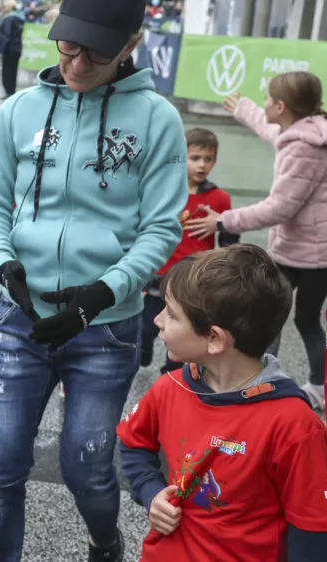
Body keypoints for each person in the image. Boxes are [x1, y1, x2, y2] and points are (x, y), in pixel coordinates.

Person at [0, 0, 186, 559]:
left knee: (88, 466)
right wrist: (4, 264)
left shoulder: (158, 119)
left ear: (132, 42)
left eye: (96, 50)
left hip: (106, 329)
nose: (78, 63)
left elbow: (161, 229)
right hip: (20, 316)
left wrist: (104, 292)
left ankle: (105, 540)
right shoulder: (19, 110)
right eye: (69, 45)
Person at [117, 244, 327, 561]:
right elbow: (133, 443)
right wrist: (151, 492)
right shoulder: (169, 387)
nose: (158, 320)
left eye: (171, 314)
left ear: (214, 339)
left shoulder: (294, 425)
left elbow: (312, 532)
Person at [186, 71, 327, 411]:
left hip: (311, 255)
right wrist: (247, 110)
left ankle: (316, 386)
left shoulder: (306, 149)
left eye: (265, 99)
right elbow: (275, 134)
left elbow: (279, 208)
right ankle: (264, 379)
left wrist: (223, 220)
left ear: (281, 106)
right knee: (269, 313)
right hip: (299, 247)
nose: (263, 104)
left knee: (301, 319)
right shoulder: (304, 132)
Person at [141, 128, 236, 374]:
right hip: (158, 280)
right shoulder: (165, 192)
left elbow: (229, 243)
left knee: (184, 341)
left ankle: (171, 378)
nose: (202, 165)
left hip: (193, 284)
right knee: (144, 332)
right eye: (195, 158)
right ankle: (144, 351)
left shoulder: (220, 199)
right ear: (181, 157)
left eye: (208, 159)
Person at [0, 1, 25, 98]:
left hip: (9, 50)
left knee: (7, 72)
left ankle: (9, 92)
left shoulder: (9, 19)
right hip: (16, 48)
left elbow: (6, 36)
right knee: (13, 71)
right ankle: (10, 91)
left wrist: (2, 49)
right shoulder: (20, 18)